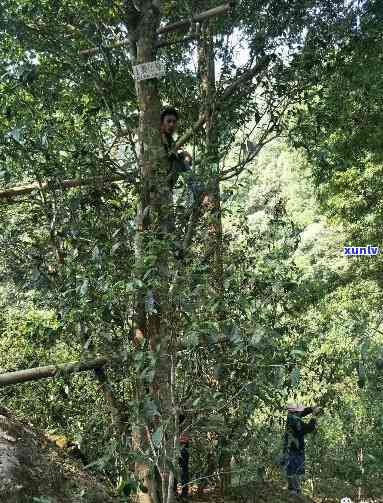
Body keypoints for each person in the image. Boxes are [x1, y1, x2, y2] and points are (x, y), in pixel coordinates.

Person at [160, 107, 200, 202]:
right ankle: (197, 191)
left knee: (182, 156)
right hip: (162, 178)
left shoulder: (170, 140)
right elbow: (166, 158)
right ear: (162, 123)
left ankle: (196, 192)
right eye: (168, 121)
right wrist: (182, 155)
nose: (171, 124)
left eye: (174, 122)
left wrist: (185, 155)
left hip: (169, 176)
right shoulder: (159, 137)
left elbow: (184, 161)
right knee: (181, 158)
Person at [281, 403, 320, 495]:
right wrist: (314, 416)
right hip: (295, 450)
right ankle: (294, 490)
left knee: (291, 468)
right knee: (296, 469)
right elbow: (309, 428)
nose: (301, 413)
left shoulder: (291, 417)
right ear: (295, 413)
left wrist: (311, 409)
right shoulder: (296, 423)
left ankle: (293, 489)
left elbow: (302, 413)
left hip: (289, 448)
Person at [174, 413, 190, 499]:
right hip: (182, 446)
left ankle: (182, 493)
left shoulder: (181, 421)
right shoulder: (185, 422)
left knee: (183, 470)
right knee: (184, 470)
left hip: (182, 446)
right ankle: (182, 493)